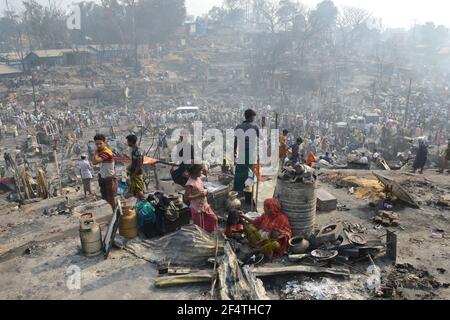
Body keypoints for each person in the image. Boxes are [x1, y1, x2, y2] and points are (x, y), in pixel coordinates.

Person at [184, 164, 218, 233]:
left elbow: (202, 187)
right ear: (195, 172)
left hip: (205, 205)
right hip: (197, 208)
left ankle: (210, 233)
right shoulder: (189, 184)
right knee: (199, 226)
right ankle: (202, 238)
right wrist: (200, 195)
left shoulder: (198, 178)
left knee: (213, 219)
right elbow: (186, 198)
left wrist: (206, 190)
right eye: (200, 171)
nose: (201, 172)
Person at [234, 109, 259, 193]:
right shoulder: (255, 127)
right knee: (251, 170)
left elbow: (235, 140)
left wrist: (234, 151)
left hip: (241, 151)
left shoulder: (238, 126)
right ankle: (250, 189)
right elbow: (261, 138)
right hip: (250, 151)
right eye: (254, 117)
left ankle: (238, 188)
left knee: (240, 170)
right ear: (251, 117)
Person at [92, 134, 117, 210]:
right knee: (105, 197)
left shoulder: (107, 152)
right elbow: (94, 162)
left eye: (100, 143)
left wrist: (96, 153)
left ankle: (115, 211)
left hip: (109, 178)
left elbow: (96, 161)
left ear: (104, 142)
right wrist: (96, 154)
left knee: (111, 198)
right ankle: (116, 209)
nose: (98, 145)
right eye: (97, 144)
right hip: (103, 177)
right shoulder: (101, 152)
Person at [126, 134, 145, 200]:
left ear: (131, 142)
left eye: (128, 141)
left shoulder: (138, 151)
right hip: (133, 172)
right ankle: (140, 201)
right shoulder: (133, 150)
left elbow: (139, 164)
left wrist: (134, 173)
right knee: (135, 190)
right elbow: (133, 162)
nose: (127, 143)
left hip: (137, 173)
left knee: (138, 190)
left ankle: (144, 203)